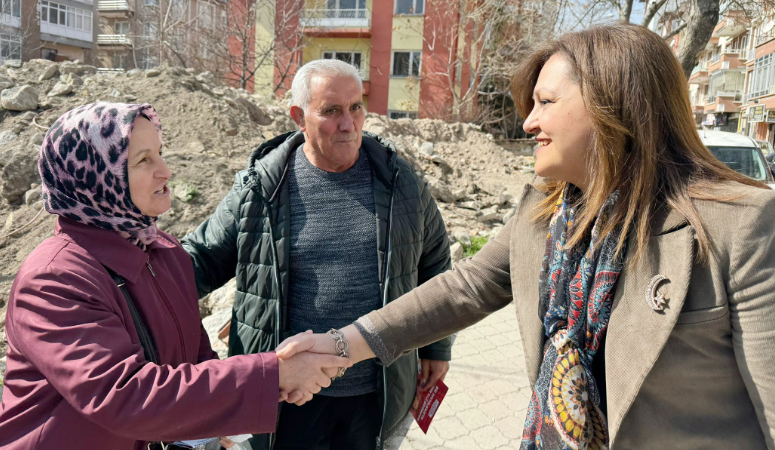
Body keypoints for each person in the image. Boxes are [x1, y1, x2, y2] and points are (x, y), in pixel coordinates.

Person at [276, 23, 775, 450]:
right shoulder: (545, 210)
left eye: (545, 102)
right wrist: (341, 345)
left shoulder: (743, 226)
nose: (528, 121)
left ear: (611, 105)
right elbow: (464, 288)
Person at [0, 102, 351, 450]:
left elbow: (194, 354)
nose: (165, 171)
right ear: (93, 176)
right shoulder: (55, 279)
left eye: (160, 153)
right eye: (143, 160)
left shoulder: (163, 252)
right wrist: (272, 375)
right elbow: (125, 395)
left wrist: (224, 415)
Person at [181, 59, 453, 450]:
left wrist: (436, 346)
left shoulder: (401, 183)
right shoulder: (262, 189)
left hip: (375, 394)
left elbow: (436, 266)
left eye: (355, 107)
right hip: (287, 397)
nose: (349, 123)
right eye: (331, 111)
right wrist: (133, 290)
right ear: (299, 116)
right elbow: (202, 259)